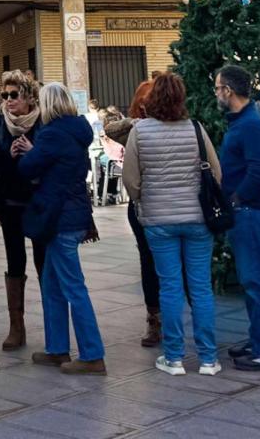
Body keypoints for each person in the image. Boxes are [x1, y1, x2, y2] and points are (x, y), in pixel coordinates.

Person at [124, 72, 220, 376]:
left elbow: (131, 180)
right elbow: (215, 173)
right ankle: (208, 358)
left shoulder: (140, 132)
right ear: (181, 98)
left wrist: (144, 199)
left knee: (170, 286)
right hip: (196, 219)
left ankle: (175, 357)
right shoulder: (196, 129)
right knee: (201, 287)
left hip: (158, 219)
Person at [13, 82, 105, 375]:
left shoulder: (52, 133)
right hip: (74, 213)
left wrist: (30, 152)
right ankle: (57, 348)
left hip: (60, 218)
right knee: (52, 284)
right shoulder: (78, 131)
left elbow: (28, 168)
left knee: (73, 286)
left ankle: (92, 354)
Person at [211, 66, 260, 373]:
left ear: (228, 90)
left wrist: (236, 199)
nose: (215, 93)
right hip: (249, 212)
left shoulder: (251, 125)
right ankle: (259, 340)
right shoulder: (244, 122)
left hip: (252, 212)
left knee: (259, 282)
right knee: (253, 280)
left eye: (217, 88)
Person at [0, 69, 49, 351]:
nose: (8, 100)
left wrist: (33, 152)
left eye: (14, 95)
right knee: (15, 262)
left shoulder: (44, 124)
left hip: (37, 203)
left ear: (30, 97)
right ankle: (16, 326)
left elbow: (50, 163)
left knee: (45, 264)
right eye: (5, 95)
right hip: (10, 203)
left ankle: (53, 326)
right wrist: (7, 158)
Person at [105, 77, 164, 348]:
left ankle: (161, 321)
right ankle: (156, 319)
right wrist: (135, 121)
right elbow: (110, 128)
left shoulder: (173, 127)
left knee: (158, 264)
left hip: (152, 204)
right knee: (151, 263)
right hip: (146, 207)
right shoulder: (134, 130)